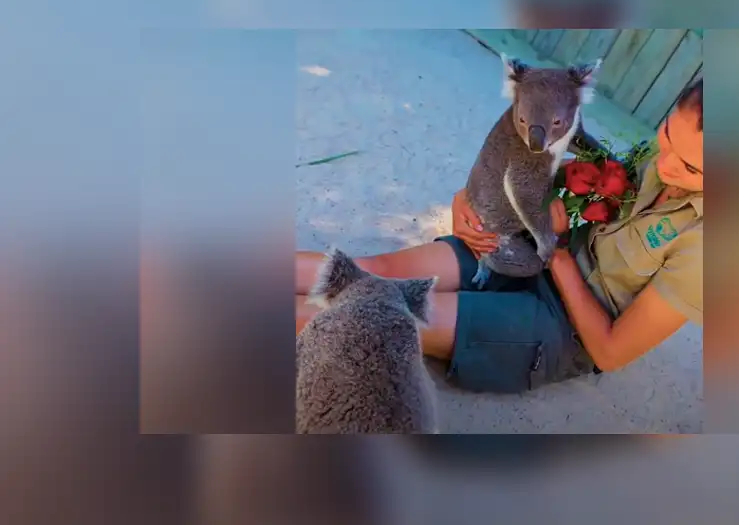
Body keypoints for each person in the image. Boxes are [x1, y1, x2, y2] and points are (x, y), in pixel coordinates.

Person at [295, 78, 703, 394]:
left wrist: (556, 250)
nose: (665, 164)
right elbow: (571, 180)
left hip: (565, 324)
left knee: (381, 313)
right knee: (372, 270)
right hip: (528, 250)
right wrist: (474, 198)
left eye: (690, 168)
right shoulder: (671, 152)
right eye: (666, 135)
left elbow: (611, 351)